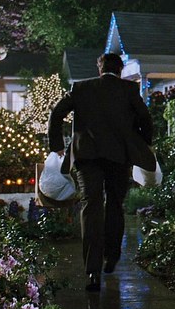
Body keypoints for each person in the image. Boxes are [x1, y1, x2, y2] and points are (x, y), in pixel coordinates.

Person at [48, 53, 154, 291]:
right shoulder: (129, 90)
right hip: (119, 157)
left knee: (91, 207)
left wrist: (57, 146)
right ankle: (112, 256)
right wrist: (143, 143)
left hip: (87, 158)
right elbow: (145, 119)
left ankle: (92, 271)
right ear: (120, 70)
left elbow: (56, 113)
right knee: (115, 205)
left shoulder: (81, 88)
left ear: (100, 69)